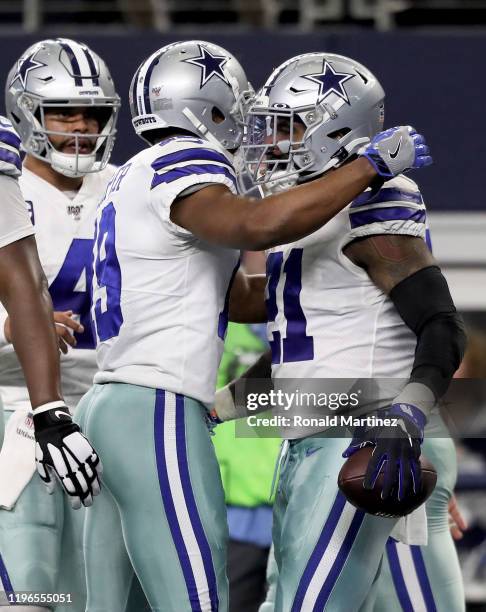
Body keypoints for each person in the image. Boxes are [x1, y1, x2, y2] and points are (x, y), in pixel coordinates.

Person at [75, 39, 430, 611]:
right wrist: (371, 166)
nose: (258, 134)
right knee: (197, 600)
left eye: (287, 125)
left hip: (110, 399)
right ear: (209, 109)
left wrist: (325, 286)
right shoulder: (188, 158)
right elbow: (258, 225)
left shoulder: (128, 174)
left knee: (114, 604)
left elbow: (238, 299)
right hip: (155, 403)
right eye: (242, 113)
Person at [212, 52, 465, 611]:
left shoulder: (372, 209)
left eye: (289, 126)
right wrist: (222, 406)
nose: (272, 141)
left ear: (337, 130)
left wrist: (408, 415)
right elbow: (299, 353)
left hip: (369, 431)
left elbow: (443, 329)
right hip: (321, 429)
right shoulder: (303, 213)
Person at [0, 38, 119, 612]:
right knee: (31, 593)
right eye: (63, 112)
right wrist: (9, 331)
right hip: (16, 417)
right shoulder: (7, 190)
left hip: (110, 420)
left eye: (92, 114)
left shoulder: (133, 186)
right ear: (27, 113)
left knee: (95, 600)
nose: (80, 126)